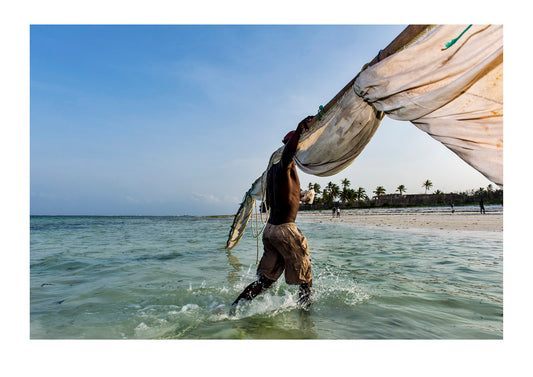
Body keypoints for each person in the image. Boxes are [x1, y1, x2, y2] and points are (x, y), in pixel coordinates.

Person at [231, 116, 314, 310]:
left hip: (271, 231)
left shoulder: (271, 173)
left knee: (266, 281)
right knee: (305, 279)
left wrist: (300, 197)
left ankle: (234, 308)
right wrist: (300, 127)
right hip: (286, 230)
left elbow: (277, 199)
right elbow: (288, 153)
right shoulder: (287, 164)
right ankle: (307, 321)